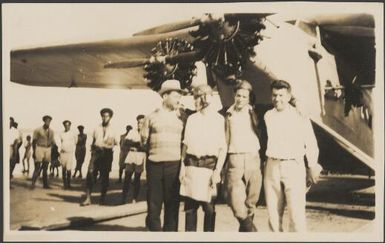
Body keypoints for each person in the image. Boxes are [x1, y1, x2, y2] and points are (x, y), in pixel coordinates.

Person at [264, 80, 322, 232]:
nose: (277, 99)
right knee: (273, 217)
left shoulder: (300, 115)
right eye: (274, 95)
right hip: (272, 166)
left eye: (281, 95)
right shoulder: (267, 116)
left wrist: (311, 166)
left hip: (293, 166)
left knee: (296, 216)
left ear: (289, 96)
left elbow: (310, 142)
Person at [179, 84, 227, 232]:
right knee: (190, 209)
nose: (197, 100)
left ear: (209, 97)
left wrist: (217, 171)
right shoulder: (192, 119)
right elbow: (185, 145)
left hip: (209, 167)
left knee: (209, 209)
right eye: (196, 97)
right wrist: (182, 167)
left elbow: (222, 148)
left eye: (200, 97)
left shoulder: (219, 119)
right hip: (192, 166)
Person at [141, 79, 187, 231]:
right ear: (165, 96)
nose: (179, 99)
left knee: (172, 205)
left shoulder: (182, 117)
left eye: (180, 96)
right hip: (154, 164)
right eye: (176, 96)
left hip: (174, 166)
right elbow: (144, 142)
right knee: (154, 204)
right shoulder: (150, 117)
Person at [225, 80, 266, 232]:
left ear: (249, 99)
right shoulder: (227, 114)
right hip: (234, 159)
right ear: (234, 96)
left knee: (251, 203)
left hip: (253, 159)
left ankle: (246, 234)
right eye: (238, 95)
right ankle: (252, 231)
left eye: (244, 96)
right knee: (236, 203)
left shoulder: (256, 113)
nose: (240, 99)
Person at [80, 108, 119, 206]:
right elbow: (92, 140)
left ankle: (102, 198)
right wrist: (93, 149)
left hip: (107, 154)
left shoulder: (114, 129)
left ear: (110, 117)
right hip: (96, 153)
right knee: (90, 174)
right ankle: (88, 198)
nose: (105, 118)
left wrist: (110, 143)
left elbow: (117, 142)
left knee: (105, 176)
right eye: (103, 116)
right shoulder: (96, 128)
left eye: (107, 116)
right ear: (101, 116)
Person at [121, 116, 146, 204]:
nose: (140, 124)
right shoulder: (132, 132)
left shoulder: (146, 133)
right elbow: (126, 142)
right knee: (127, 177)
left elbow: (146, 147)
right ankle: (123, 197)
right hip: (131, 155)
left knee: (137, 178)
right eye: (138, 122)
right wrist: (138, 144)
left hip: (140, 156)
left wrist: (138, 145)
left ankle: (134, 198)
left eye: (142, 122)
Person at [31, 115, 55, 189]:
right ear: (44, 121)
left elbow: (53, 142)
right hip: (39, 148)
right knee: (37, 167)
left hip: (48, 149)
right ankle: (33, 184)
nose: (48, 122)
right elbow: (34, 141)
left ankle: (45, 184)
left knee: (45, 167)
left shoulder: (51, 131)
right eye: (47, 120)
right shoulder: (38, 130)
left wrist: (55, 152)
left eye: (49, 121)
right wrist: (34, 151)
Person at [58, 120, 78, 189]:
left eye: (68, 125)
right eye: (65, 125)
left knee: (69, 169)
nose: (67, 126)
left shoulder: (73, 133)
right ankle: (64, 184)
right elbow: (61, 142)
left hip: (69, 153)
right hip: (62, 153)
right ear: (64, 126)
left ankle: (68, 184)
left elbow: (76, 142)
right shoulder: (61, 133)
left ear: (70, 125)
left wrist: (69, 148)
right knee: (63, 169)